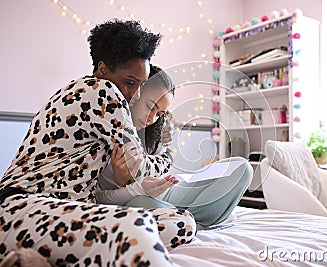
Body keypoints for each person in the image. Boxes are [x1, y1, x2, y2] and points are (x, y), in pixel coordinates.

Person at [0, 19, 195, 266]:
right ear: (102, 69)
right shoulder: (101, 92)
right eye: (130, 82)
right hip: (21, 208)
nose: (135, 94)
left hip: (66, 212)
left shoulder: (78, 91)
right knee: (138, 227)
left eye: (141, 85)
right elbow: (139, 167)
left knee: (181, 223)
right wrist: (167, 158)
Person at [96, 65, 253, 230]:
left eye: (159, 114)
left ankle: (190, 220)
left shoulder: (154, 133)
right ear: (134, 95)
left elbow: (161, 171)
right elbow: (98, 199)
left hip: (166, 192)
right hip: (134, 200)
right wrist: (129, 186)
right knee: (139, 204)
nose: (151, 119)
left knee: (241, 167)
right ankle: (201, 221)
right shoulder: (106, 130)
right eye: (149, 107)